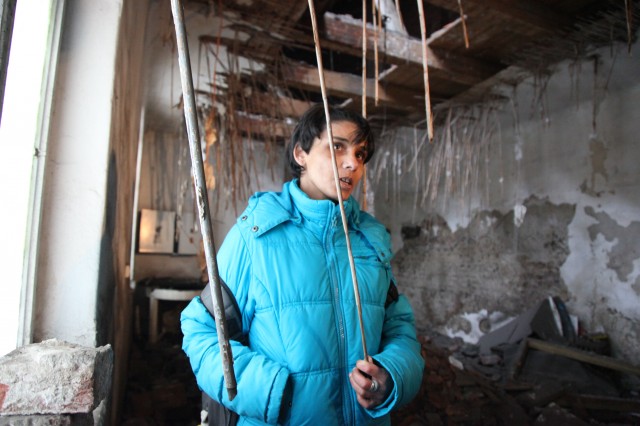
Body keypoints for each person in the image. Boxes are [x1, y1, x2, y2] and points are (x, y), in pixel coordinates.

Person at [180, 103, 424, 425]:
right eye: (337, 147)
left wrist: (392, 376)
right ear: (301, 154)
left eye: (360, 154)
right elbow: (202, 331)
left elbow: (398, 327)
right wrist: (270, 391)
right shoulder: (256, 235)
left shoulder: (370, 239)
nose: (353, 163)